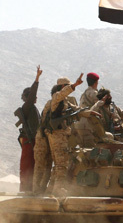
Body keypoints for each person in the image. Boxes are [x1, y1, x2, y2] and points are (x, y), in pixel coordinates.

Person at [42, 73, 85, 196]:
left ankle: (50, 190)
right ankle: (58, 189)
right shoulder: (57, 97)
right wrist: (74, 85)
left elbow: (76, 109)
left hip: (58, 135)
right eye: (66, 86)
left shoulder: (63, 101)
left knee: (57, 165)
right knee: (62, 164)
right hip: (58, 135)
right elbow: (63, 93)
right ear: (62, 87)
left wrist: (90, 112)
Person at [15, 65, 42, 193]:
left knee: (34, 166)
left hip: (33, 140)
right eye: (32, 96)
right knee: (26, 166)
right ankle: (25, 190)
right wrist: (37, 79)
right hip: (28, 140)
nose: (35, 97)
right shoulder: (27, 106)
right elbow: (32, 95)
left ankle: (31, 189)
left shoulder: (32, 108)